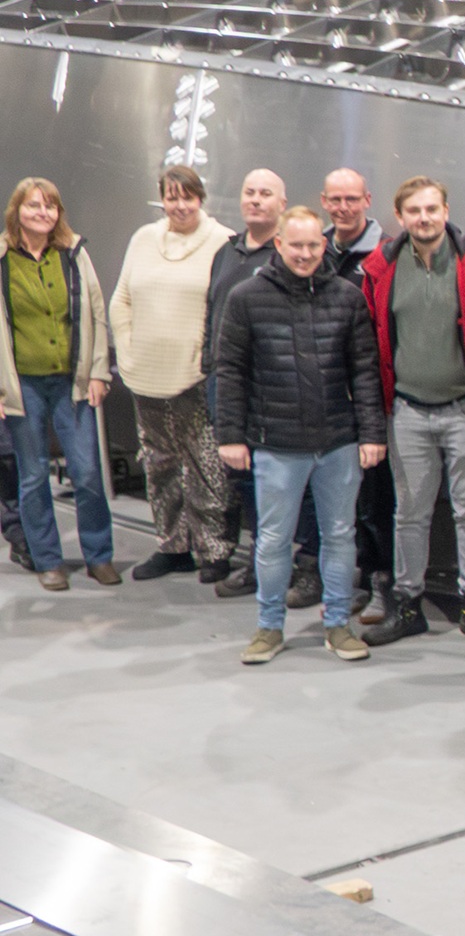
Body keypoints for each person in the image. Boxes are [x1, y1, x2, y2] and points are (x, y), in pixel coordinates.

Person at [213, 205, 388, 663]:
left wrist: (372, 433)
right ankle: (269, 629)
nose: (305, 254)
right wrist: (230, 435)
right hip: (275, 444)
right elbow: (229, 370)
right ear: (279, 244)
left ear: (324, 245)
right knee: (273, 540)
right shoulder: (246, 298)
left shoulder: (348, 297)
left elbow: (365, 371)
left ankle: (338, 625)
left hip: (338, 443)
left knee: (340, 537)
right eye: (296, 245)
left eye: (313, 245)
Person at [361, 177, 465, 647]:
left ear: (446, 212)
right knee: (409, 514)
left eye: (432, 209)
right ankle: (407, 605)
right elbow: (368, 341)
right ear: (400, 216)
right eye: (414, 210)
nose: (424, 218)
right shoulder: (381, 269)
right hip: (407, 413)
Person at [107, 165, 235, 584]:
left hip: (195, 379)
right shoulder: (143, 239)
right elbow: (121, 299)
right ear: (162, 199)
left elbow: (226, 311)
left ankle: (213, 550)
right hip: (147, 377)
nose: (180, 205)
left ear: (201, 198)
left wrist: (203, 359)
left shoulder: (223, 242)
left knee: (205, 467)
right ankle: (173, 546)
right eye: (171, 196)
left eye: (187, 196)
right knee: (159, 464)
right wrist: (128, 351)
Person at [1, 178, 115, 591]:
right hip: (22, 385)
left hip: (73, 381)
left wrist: (99, 371)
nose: (42, 213)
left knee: (87, 472)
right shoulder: (3, 258)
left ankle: (99, 556)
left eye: (49, 206)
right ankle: (48, 560)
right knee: (33, 476)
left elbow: (96, 313)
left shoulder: (73, 254)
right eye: (33, 206)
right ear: (17, 211)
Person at [206, 168, 298, 605]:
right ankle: (260, 562)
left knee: (277, 484)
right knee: (241, 479)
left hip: (271, 390)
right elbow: (212, 310)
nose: (256, 200)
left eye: (266, 193)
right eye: (250, 192)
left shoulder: (288, 254)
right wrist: (208, 365)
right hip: (226, 383)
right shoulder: (226, 252)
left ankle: (282, 564)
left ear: (282, 204)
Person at [322, 168, 394, 618]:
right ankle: (345, 578)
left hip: (370, 396)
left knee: (375, 500)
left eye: (352, 199)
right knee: (337, 498)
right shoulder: (314, 251)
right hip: (325, 398)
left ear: (367, 200)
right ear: (324, 202)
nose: (344, 207)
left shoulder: (386, 254)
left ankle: (382, 580)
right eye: (336, 199)